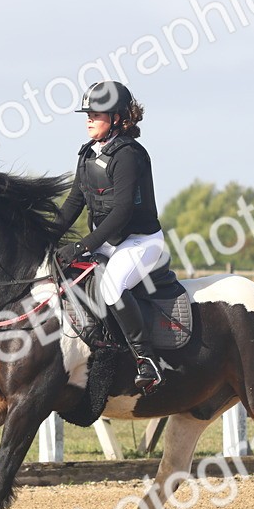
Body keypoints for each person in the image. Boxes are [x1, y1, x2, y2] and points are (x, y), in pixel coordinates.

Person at [55, 81, 169, 392]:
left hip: (141, 240)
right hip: (108, 240)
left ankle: (147, 360)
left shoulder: (129, 155)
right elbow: (74, 203)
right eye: (87, 113)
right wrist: (48, 236)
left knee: (112, 286)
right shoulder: (87, 153)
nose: (88, 118)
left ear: (117, 118)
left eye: (96, 113)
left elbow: (121, 213)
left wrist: (81, 246)